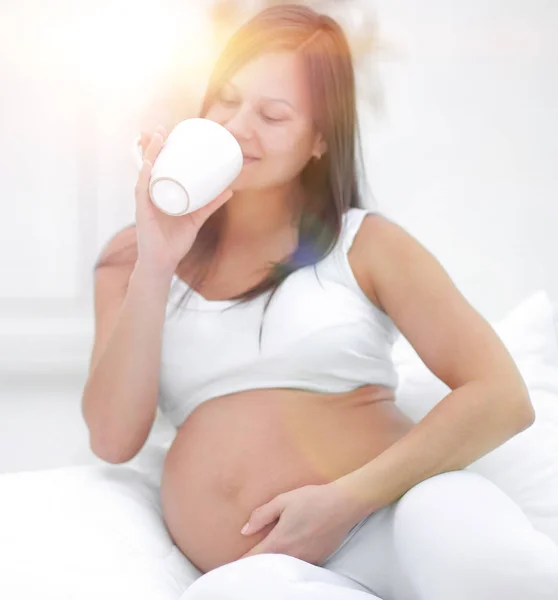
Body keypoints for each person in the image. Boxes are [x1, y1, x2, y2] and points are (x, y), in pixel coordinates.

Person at [82, 4, 558, 599]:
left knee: (484, 564)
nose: (237, 125)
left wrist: (343, 500)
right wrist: (158, 260)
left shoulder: (367, 243)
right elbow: (112, 438)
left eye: (273, 115)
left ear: (317, 142)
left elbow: (502, 397)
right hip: (258, 568)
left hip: (401, 517)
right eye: (226, 99)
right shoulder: (131, 260)